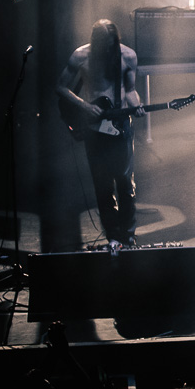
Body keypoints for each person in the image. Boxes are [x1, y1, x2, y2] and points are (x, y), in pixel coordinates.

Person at [56, 19, 144, 248]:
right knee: (103, 186)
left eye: (111, 45)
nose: (107, 50)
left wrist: (137, 105)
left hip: (121, 125)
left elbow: (130, 90)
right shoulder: (81, 56)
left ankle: (129, 236)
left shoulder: (128, 56)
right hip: (95, 129)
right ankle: (113, 237)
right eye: (103, 45)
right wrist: (84, 106)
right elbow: (61, 86)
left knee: (126, 183)